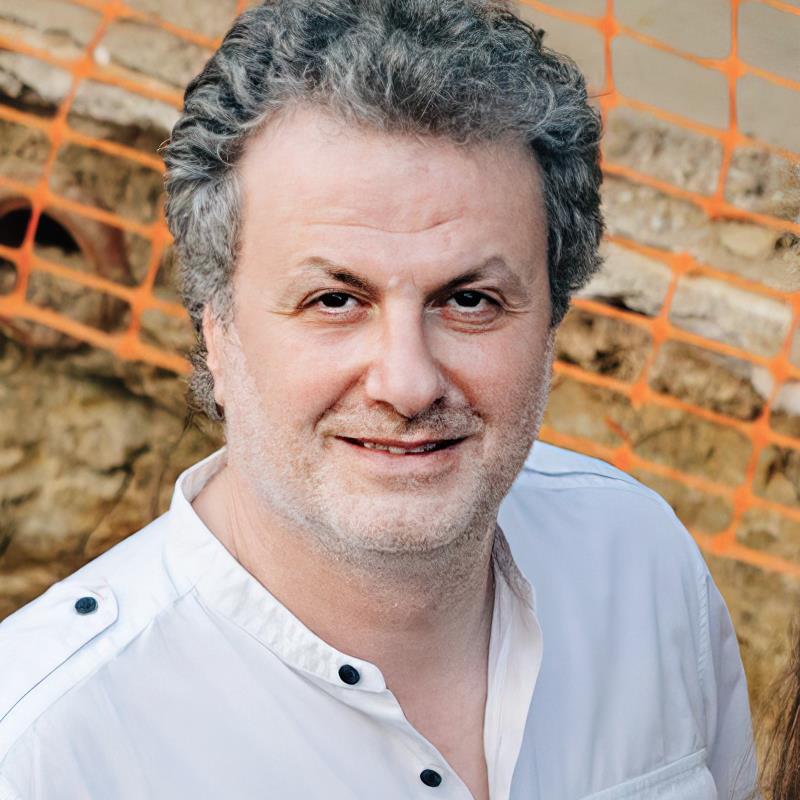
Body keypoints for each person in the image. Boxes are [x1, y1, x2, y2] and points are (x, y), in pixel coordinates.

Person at [0, 1, 756, 798]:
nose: (407, 383)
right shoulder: (47, 752)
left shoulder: (640, 564)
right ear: (215, 329)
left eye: (469, 300)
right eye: (334, 300)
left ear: (552, 321)